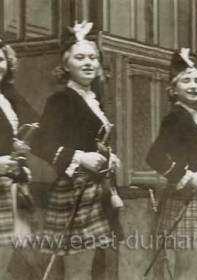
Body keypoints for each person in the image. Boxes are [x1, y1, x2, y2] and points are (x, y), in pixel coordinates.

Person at [31, 22, 120, 280]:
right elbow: (40, 143)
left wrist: (107, 156)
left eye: (93, 57)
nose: (89, 63)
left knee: (97, 264)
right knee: (78, 268)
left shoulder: (94, 100)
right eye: (80, 57)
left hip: (97, 189)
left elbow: (92, 141)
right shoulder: (60, 100)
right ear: (66, 64)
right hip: (74, 190)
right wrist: (80, 157)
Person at [146, 48, 197, 280]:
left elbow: (195, 155)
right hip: (181, 200)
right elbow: (154, 156)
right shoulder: (176, 117)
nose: (193, 85)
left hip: (195, 199)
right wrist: (188, 176)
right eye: (186, 80)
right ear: (173, 88)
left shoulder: (192, 116)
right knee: (185, 266)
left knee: (189, 265)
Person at [0, 38, 37, 279]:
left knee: (8, 255)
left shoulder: (5, 98)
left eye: (1, 59)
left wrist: (16, 147)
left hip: (7, 185)